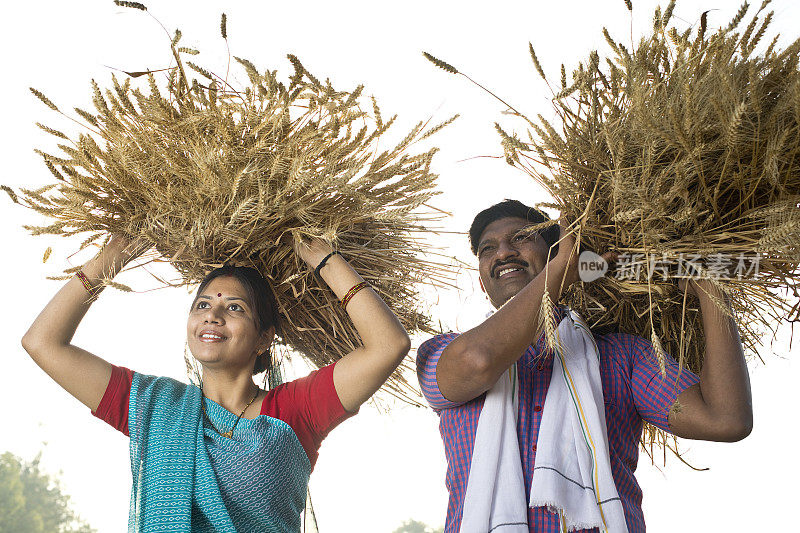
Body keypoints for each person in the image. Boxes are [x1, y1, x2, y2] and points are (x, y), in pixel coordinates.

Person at [21, 234, 411, 532]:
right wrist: (113, 255)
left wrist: (325, 259)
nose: (213, 316)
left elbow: (388, 345)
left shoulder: (295, 411)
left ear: (264, 338)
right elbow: (42, 342)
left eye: (234, 308)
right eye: (203, 305)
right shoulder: (155, 407)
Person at [416, 200, 752, 533]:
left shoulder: (622, 356)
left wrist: (711, 290)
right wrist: (562, 273)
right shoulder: (440, 353)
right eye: (488, 249)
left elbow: (725, 419)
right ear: (481, 281)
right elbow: (478, 361)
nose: (503, 252)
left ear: (555, 253)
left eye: (520, 238)